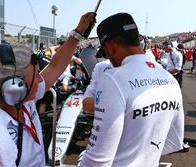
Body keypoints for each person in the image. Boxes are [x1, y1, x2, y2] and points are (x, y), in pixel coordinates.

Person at [0, 12, 96, 167]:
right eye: (36, 75)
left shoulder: (25, 102)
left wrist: (78, 33)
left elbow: (55, 66)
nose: (41, 80)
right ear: (13, 86)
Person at [78, 13, 184, 167]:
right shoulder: (170, 79)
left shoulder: (113, 79)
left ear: (110, 46)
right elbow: (175, 142)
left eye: (105, 52)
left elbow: (96, 161)